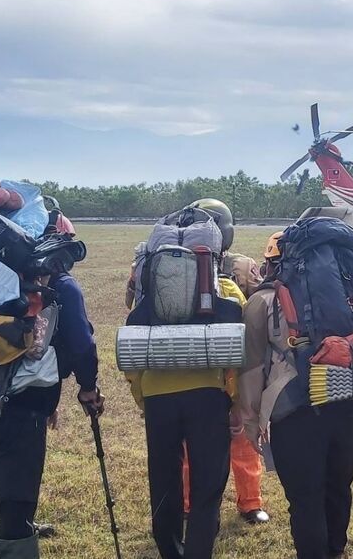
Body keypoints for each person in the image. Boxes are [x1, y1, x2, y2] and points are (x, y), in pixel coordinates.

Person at [0, 217, 104, 559]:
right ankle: (14, 543)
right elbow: (80, 344)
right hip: (21, 403)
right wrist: (88, 388)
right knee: (17, 497)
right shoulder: (60, 284)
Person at [238, 229, 353, 559]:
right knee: (338, 489)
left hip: (293, 412)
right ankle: (336, 551)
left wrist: (251, 421)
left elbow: (252, 368)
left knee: (305, 498)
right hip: (345, 402)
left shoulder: (261, 301)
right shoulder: (346, 292)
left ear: (272, 261)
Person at [124, 202, 245, 559]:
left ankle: (168, 549)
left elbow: (136, 347)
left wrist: (143, 396)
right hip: (208, 398)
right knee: (208, 488)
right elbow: (237, 353)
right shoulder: (225, 289)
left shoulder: (150, 288)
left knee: (163, 479)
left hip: (158, 396)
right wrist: (235, 401)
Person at [183, 199, 269, 525]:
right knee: (207, 442)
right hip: (208, 365)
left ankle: (249, 501)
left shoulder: (242, 268)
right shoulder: (173, 263)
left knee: (242, 439)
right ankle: (196, 503)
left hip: (227, 363)